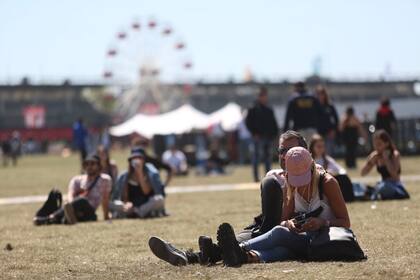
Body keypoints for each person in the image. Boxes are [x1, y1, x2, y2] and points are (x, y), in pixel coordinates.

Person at [147, 131, 309, 266]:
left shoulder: (315, 176)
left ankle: (192, 257)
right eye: (282, 151)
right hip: (264, 227)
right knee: (228, 244)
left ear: (305, 151)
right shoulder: (274, 176)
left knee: (238, 245)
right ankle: (191, 256)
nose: (285, 155)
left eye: (292, 150)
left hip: (287, 231)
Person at [215, 147, 351, 266]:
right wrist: (289, 223)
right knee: (284, 250)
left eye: (303, 178)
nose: (300, 184)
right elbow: (283, 220)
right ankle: (244, 257)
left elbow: (345, 222)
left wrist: (323, 222)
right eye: (295, 178)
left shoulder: (328, 183)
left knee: (279, 233)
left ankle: (229, 250)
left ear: (312, 168)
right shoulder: (289, 183)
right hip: (305, 243)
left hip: (325, 242)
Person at [33, 154, 112, 225]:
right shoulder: (77, 179)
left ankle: (51, 218)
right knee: (55, 192)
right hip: (72, 208)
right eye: (86, 164)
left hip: (88, 212)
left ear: (99, 166)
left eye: (92, 164)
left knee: (82, 200)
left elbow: (105, 199)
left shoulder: (104, 179)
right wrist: (71, 207)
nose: (89, 166)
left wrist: (106, 216)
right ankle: (42, 216)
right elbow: (70, 194)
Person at [109, 148, 166, 218]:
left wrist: (140, 173)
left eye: (139, 158)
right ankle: (134, 212)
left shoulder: (150, 173)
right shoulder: (125, 176)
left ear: (143, 160)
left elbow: (146, 192)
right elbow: (125, 197)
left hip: (146, 204)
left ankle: (136, 213)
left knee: (159, 199)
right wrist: (127, 204)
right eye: (134, 158)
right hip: (132, 205)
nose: (136, 161)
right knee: (111, 204)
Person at [361, 129, 409, 200]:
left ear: (387, 143)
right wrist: (370, 162)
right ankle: (375, 193)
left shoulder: (394, 155)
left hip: (394, 186)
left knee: (384, 187)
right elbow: (363, 173)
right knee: (362, 186)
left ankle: (374, 194)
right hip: (382, 184)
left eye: (379, 144)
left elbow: (394, 174)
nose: (376, 147)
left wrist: (387, 160)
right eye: (375, 144)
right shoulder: (375, 156)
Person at [245, 86, 279, 182]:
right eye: (261, 95)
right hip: (257, 137)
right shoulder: (253, 108)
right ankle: (256, 178)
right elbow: (248, 122)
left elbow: (273, 123)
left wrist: (275, 134)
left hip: (268, 137)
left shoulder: (269, 109)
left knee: (267, 158)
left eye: (264, 95)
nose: (263, 97)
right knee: (256, 158)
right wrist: (253, 133)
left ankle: (268, 177)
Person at [309, 134, 355, 202]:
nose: (321, 149)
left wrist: (330, 172)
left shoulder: (326, 159)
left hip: (327, 183)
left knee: (344, 178)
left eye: (322, 146)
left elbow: (341, 170)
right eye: (318, 146)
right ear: (312, 147)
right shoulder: (309, 160)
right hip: (316, 186)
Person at [315, 86, 339, 156]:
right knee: (318, 154)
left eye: (322, 93)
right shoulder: (314, 106)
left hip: (329, 132)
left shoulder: (330, 106)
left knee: (328, 153)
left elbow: (336, 119)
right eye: (318, 94)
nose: (320, 96)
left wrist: (334, 130)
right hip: (318, 133)